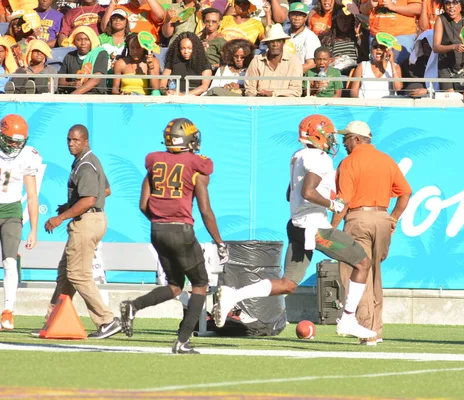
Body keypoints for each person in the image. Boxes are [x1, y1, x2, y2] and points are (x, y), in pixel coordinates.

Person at [214, 114, 377, 342]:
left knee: (288, 284)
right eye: (328, 135)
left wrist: (319, 197)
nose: (331, 140)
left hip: (297, 226)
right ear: (318, 135)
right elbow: (307, 192)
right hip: (315, 228)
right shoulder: (319, 158)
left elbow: (290, 193)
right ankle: (348, 318)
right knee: (363, 263)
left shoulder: (298, 155)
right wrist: (332, 203)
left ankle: (234, 294)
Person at [119, 118, 228, 354]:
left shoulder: (154, 163)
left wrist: (161, 221)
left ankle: (133, 306)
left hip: (157, 229)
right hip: (181, 230)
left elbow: (143, 204)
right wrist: (219, 241)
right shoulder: (196, 166)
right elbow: (206, 210)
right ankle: (182, 340)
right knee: (200, 284)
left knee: (176, 285)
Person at [331, 120, 412, 346]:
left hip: (358, 219)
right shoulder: (386, 160)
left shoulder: (349, 162)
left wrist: (331, 230)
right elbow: (405, 192)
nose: (344, 143)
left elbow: (344, 201)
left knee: (357, 272)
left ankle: (366, 330)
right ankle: (376, 329)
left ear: (357, 139)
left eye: (346, 138)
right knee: (374, 273)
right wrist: (393, 218)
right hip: (382, 218)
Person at [41, 124, 121, 339]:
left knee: (78, 274)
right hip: (93, 218)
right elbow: (105, 190)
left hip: (87, 221)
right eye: (68, 140)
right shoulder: (88, 160)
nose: (71, 144)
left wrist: (61, 217)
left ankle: (107, 320)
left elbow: (90, 198)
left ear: (86, 141)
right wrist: (70, 206)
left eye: (76, 140)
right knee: (65, 273)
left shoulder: (85, 165)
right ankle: (52, 320)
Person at [0, 115, 41, 331]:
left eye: (19, 142)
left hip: (11, 210)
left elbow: (32, 195)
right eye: (11, 141)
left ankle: (8, 311)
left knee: (9, 261)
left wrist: (33, 229)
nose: (15, 146)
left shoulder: (28, 155)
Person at [245, 23, 303, 97]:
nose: (275, 44)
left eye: (278, 41)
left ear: (283, 42)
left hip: (285, 105)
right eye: (271, 41)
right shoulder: (257, 61)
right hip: (260, 104)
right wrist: (257, 97)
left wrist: (273, 94)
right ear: (266, 43)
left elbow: (296, 91)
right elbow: (250, 88)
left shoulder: (294, 61)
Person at [58, 27, 109, 94]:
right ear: (74, 41)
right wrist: (72, 84)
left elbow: (96, 79)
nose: (83, 43)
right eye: (79, 40)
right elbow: (61, 82)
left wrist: (74, 95)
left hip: (95, 95)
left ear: (91, 40)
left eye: (87, 39)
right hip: (71, 96)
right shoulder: (69, 56)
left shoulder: (100, 54)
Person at [160, 32, 213, 96]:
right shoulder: (172, 62)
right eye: (182, 48)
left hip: (194, 100)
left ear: (195, 48)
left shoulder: (204, 63)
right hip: (173, 98)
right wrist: (166, 92)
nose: (186, 52)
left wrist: (183, 95)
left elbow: (204, 87)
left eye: (189, 48)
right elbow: (162, 84)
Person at [288, 2, 321, 73]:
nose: (297, 18)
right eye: (294, 14)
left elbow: (311, 64)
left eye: (300, 15)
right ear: (289, 16)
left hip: (300, 77)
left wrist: (289, 72)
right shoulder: (283, 33)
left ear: (305, 17)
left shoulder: (310, 37)